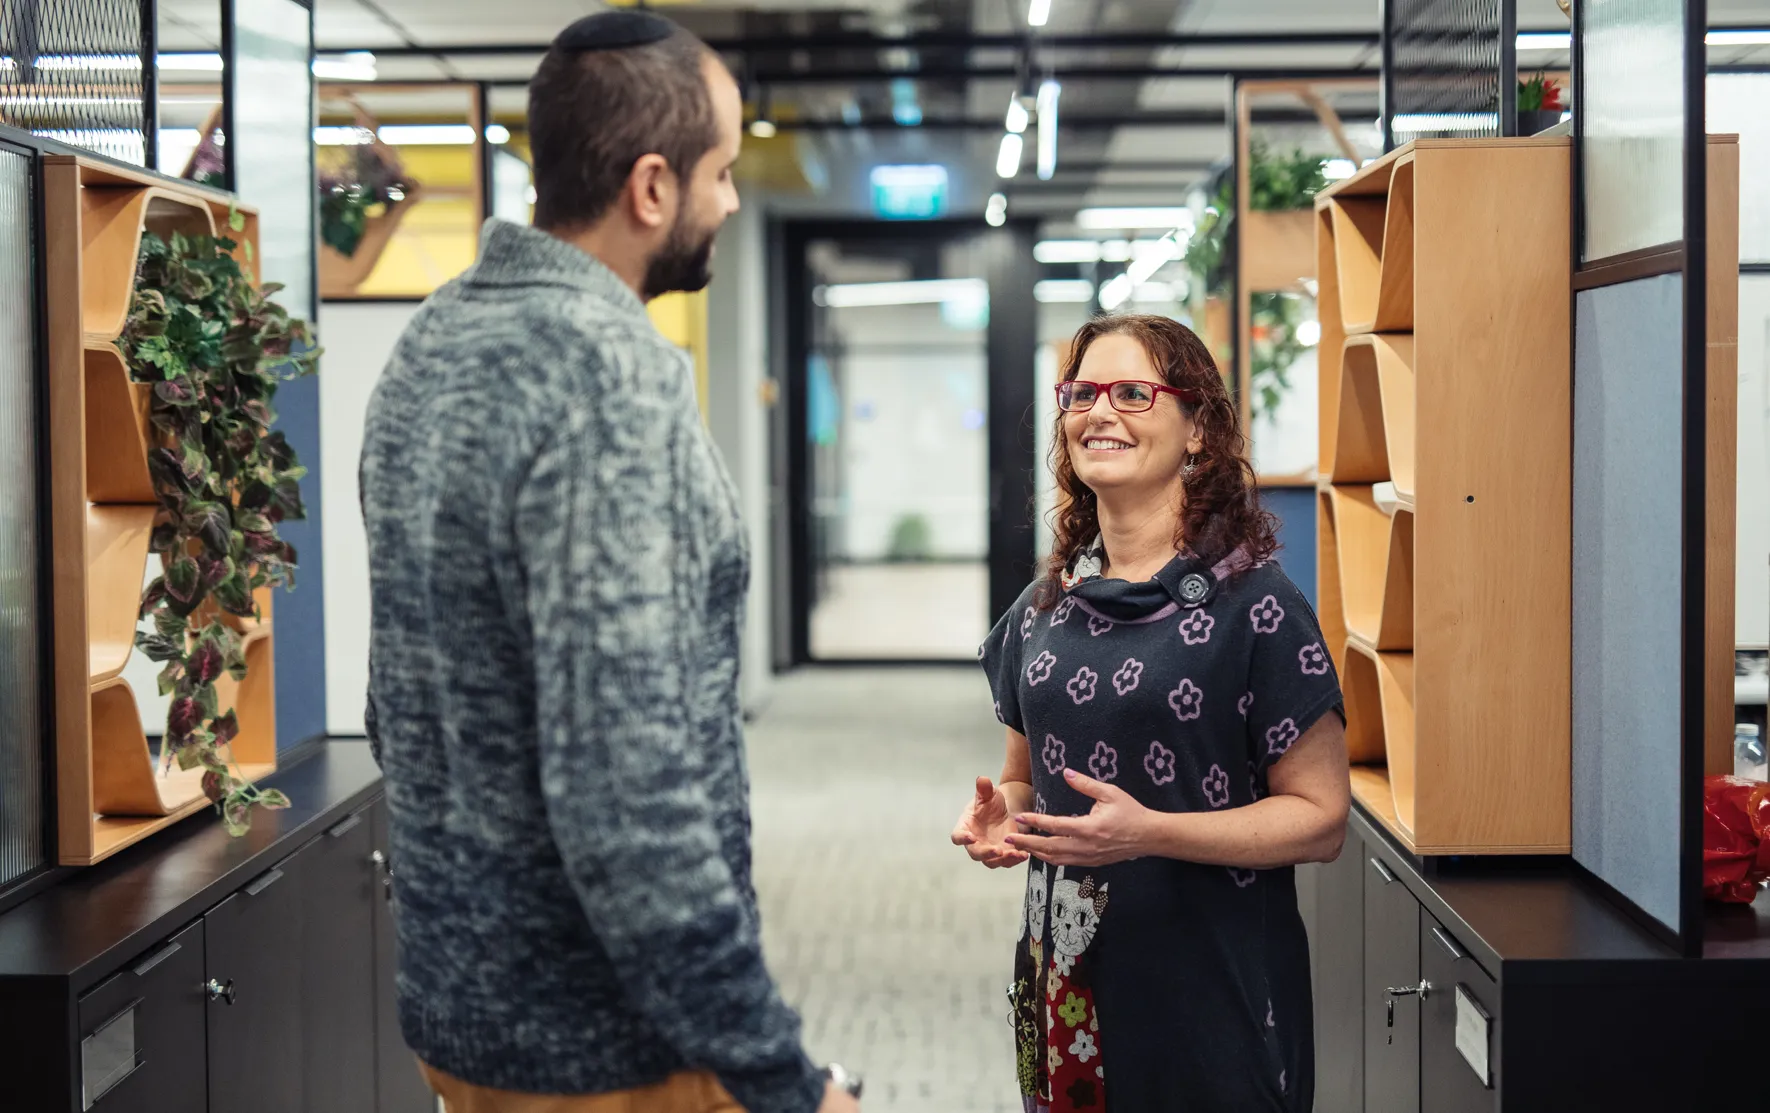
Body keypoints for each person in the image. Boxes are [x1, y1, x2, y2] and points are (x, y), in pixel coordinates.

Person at [359, 12, 857, 1113]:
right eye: (720, 173)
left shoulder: (431, 346)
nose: (728, 200)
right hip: (605, 1045)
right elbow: (623, 783)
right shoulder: (608, 373)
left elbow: (398, 706)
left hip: (463, 1013)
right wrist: (775, 1073)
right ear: (650, 188)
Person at [952, 315, 1350, 1112]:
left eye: (1134, 393)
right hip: (1067, 985)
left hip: (1211, 994)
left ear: (1197, 426)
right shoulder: (1045, 609)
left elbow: (1321, 817)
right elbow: (1023, 779)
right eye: (1082, 394)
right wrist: (1008, 819)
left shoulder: (1257, 606)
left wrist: (1151, 832)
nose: (1101, 413)